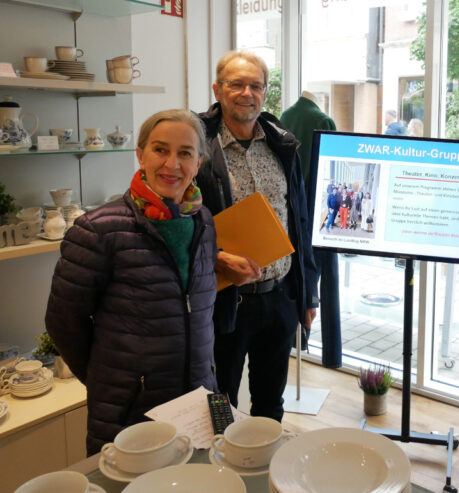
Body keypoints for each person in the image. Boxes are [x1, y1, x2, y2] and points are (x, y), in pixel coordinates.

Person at [44, 109, 217, 455]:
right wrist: (109, 381)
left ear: (198, 163)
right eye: (160, 149)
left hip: (197, 401)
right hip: (130, 411)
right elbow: (63, 322)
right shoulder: (98, 229)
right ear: (140, 154)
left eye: (185, 153)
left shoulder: (202, 221)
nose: (172, 164)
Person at [196, 51, 318, 422]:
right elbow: (178, 221)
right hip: (225, 301)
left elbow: (300, 219)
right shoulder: (197, 144)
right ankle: (219, 475)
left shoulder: (282, 144)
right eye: (236, 84)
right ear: (217, 89)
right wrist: (214, 257)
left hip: (279, 296)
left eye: (256, 85)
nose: (246, 93)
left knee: (270, 402)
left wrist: (308, 290)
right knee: (219, 401)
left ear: (265, 93)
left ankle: (262, 466)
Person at [281, 90, 342, 367]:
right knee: (318, 275)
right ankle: (318, 345)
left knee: (297, 274)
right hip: (314, 212)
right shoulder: (324, 120)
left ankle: (298, 340)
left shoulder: (286, 115)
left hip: (291, 208)